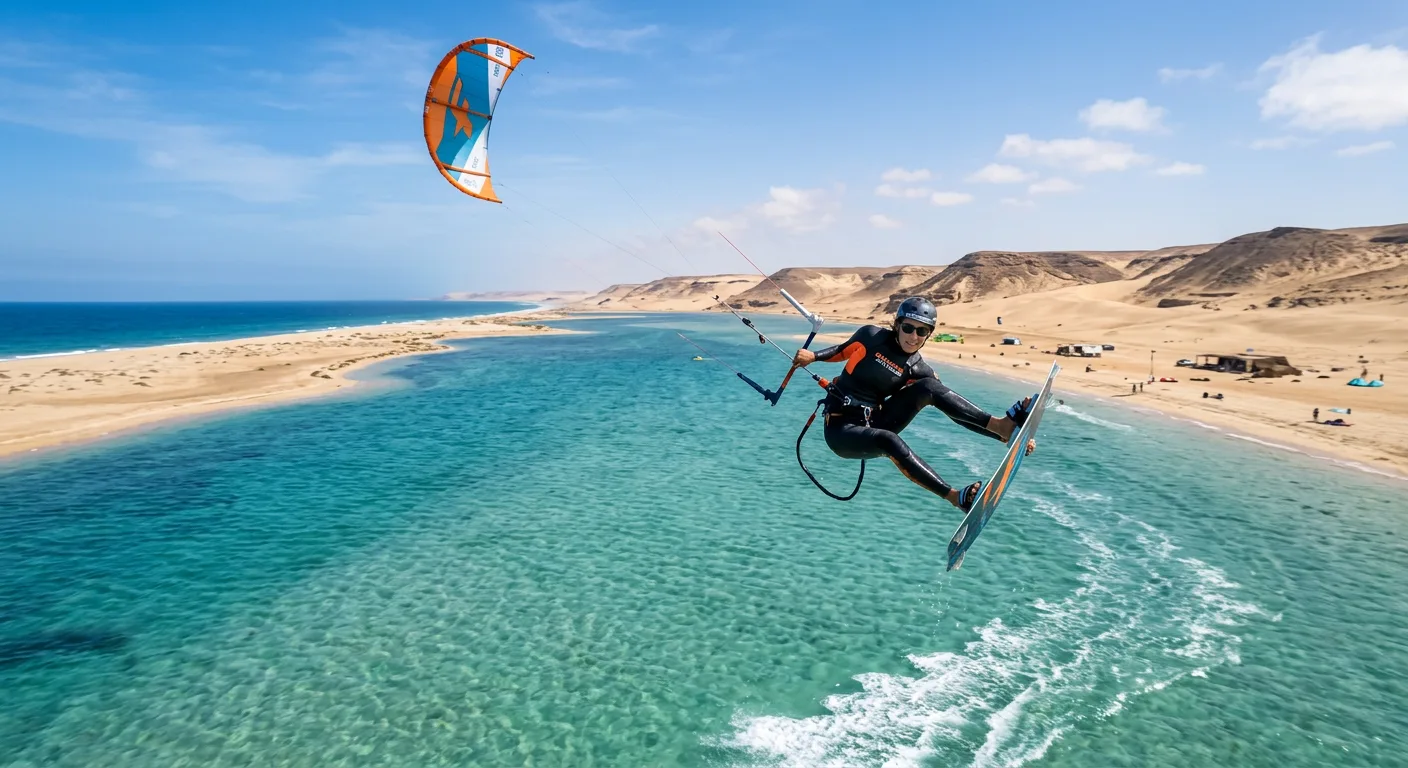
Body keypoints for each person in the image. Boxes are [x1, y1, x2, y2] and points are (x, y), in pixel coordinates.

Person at [791, 297, 1037, 514]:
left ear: (929, 334)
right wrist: (813, 357)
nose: (913, 336)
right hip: (841, 430)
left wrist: (1012, 439)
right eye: (908, 328)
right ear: (897, 325)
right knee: (890, 441)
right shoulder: (871, 337)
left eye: (922, 331)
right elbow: (842, 351)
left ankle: (1003, 429)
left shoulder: (918, 368)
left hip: (875, 420)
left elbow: (955, 412)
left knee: (931, 387)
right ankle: (955, 497)